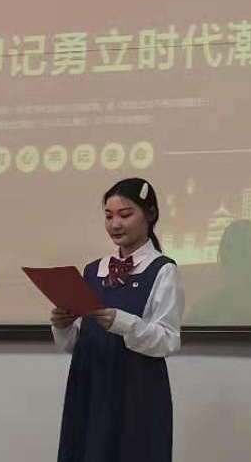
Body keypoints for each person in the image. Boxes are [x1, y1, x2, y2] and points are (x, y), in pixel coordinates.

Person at [51, 177, 184, 462]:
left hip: (136, 390)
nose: (115, 224)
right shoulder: (92, 271)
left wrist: (121, 323)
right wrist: (62, 326)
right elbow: (74, 344)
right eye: (109, 216)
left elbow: (168, 340)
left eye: (125, 215)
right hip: (90, 384)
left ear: (150, 214)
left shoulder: (162, 270)